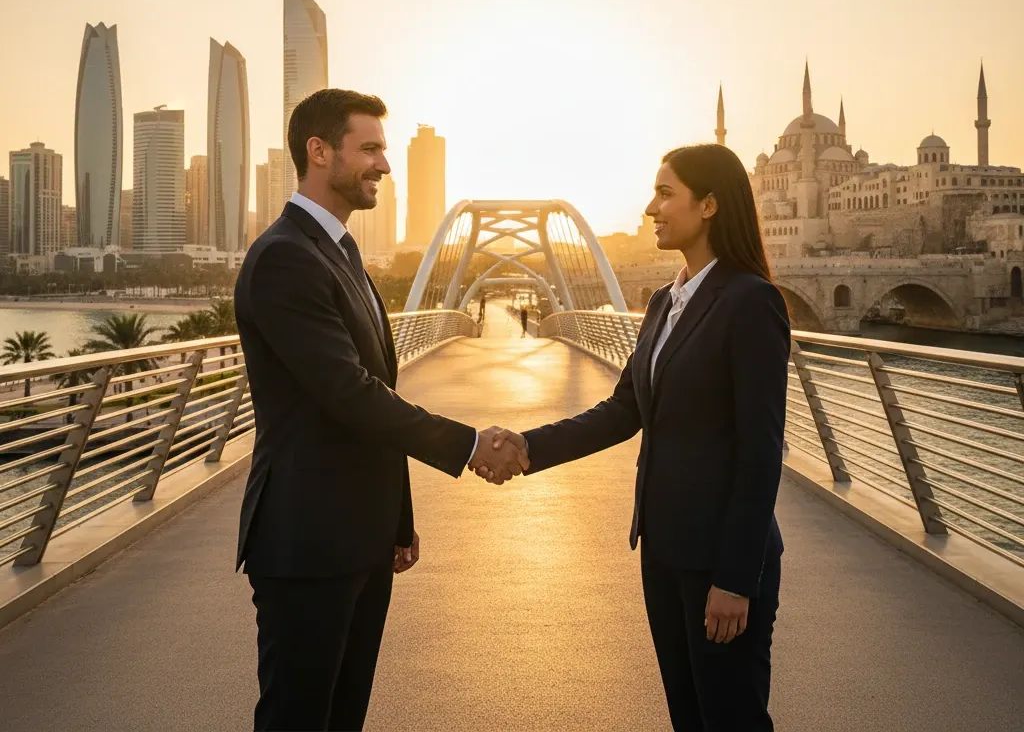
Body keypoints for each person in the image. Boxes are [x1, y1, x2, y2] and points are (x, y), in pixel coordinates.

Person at [234, 89, 527, 732]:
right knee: (298, 718)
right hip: (307, 542)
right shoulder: (286, 257)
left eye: (384, 151)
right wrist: (472, 443)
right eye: (369, 149)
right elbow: (349, 395)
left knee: (343, 717)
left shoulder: (339, 254)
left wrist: (397, 519)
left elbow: (377, 389)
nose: (384, 166)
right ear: (319, 152)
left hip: (358, 539)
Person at [476, 143, 790, 731]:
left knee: (732, 718)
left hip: (720, 560)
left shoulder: (749, 301)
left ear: (710, 206)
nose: (651, 207)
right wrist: (529, 446)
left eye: (666, 193)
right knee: (689, 716)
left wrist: (734, 578)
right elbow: (624, 410)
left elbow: (760, 451)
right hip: (665, 550)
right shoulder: (666, 303)